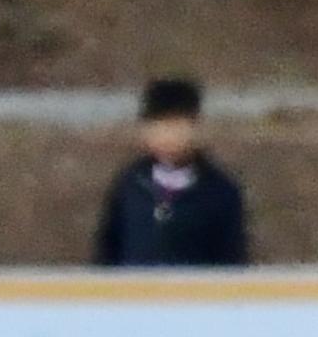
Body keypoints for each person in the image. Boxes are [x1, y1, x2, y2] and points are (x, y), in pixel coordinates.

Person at [92, 75, 250, 266]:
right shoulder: (130, 185)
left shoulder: (220, 190)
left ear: (196, 127)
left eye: (176, 126)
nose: (168, 137)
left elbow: (232, 260)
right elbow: (107, 254)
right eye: (160, 126)